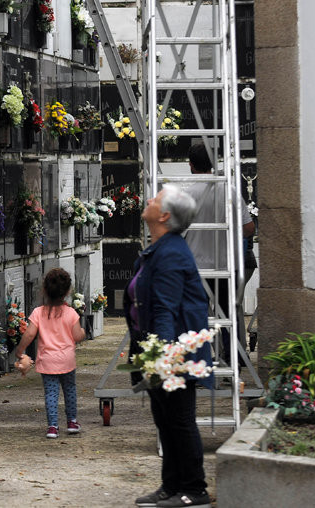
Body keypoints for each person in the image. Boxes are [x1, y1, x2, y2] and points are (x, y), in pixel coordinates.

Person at [127, 184, 213, 508]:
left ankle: (194, 490)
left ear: (164, 215)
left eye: (156, 199)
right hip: (159, 352)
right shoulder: (161, 248)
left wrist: (161, 360)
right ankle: (171, 485)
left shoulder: (172, 253)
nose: (149, 199)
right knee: (166, 419)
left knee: (179, 420)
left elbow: (165, 307)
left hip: (172, 354)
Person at [183, 144, 255, 368]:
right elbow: (249, 227)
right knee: (228, 317)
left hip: (196, 268)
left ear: (191, 165)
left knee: (196, 317)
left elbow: (175, 231)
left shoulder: (186, 194)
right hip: (225, 265)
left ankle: (198, 364)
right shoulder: (230, 190)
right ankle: (234, 361)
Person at [11, 268, 85, 439]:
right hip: (67, 361)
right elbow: (77, 336)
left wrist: (20, 351)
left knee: (51, 394)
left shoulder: (38, 313)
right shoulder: (71, 313)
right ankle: (72, 421)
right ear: (67, 292)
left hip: (47, 361)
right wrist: (82, 332)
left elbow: (29, 334)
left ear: (44, 290)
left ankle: (53, 426)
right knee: (70, 390)